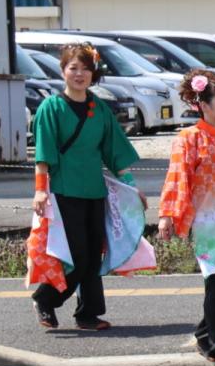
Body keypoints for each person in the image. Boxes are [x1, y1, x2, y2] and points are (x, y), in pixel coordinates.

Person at [30, 42, 142, 332]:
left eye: (86, 69)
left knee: (93, 254)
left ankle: (88, 314)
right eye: (73, 68)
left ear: (93, 73)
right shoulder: (50, 108)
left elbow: (115, 151)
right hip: (65, 191)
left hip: (95, 191)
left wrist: (131, 188)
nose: (80, 74)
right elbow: (43, 155)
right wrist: (41, 189)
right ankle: (45, 298)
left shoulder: (100, 109)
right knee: (77, 255)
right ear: (62, 71)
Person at [158, 69, 215, 366]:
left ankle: (207, 334)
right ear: (203, 104)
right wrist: (168, 214)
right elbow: (177, 178)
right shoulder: (189, 138)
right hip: (207, 222)